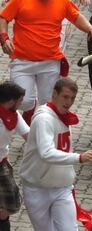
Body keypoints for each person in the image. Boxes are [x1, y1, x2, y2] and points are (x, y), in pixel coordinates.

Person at [0, 0, 92, 125]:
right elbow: (4, 18)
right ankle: (30, 108)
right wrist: (5, 38)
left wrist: (90, 29)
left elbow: (76, 17)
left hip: (49, 62)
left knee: (47, 103)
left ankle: (42, 132)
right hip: (22, 61)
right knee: (24, 101)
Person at [19, 78, 92, 231]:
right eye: (65, 97)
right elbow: (46, 153)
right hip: (37, 188)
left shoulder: (63, 117)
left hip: (62, 188)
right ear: (54, 94)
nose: (69, 102)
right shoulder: (44, 119)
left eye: (72, 98)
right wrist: (79, 158)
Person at [0, 81, 29, 231]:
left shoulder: (13, 114)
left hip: (2, 163)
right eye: (20, 101)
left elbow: (29, 136)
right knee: (10, 203)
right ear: (12, 101)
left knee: (11, 204)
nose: (22, 104)